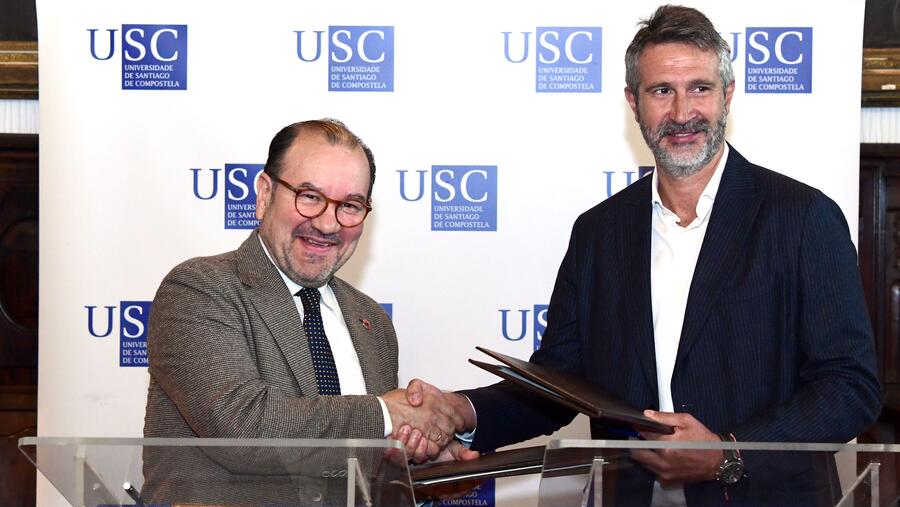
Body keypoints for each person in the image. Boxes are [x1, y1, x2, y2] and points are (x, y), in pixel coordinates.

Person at [406, 5, 882, 506]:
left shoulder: (803, 218)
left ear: (727, 95)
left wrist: (727, 452)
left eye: (699, 88)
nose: (682, 113)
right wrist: (459, 413)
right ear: (633, 102)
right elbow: (558, 386)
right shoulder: (598, 233)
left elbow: (850, 386)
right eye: (661, 91)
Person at [142, 119, 466, 504]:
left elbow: (353, 456)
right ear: (265, 194)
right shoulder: (200, 289)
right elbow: (242, 427)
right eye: (310, 196)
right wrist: (386, 415)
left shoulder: (372, 322)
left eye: (350, 205)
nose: (328, 224)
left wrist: (416, 462)